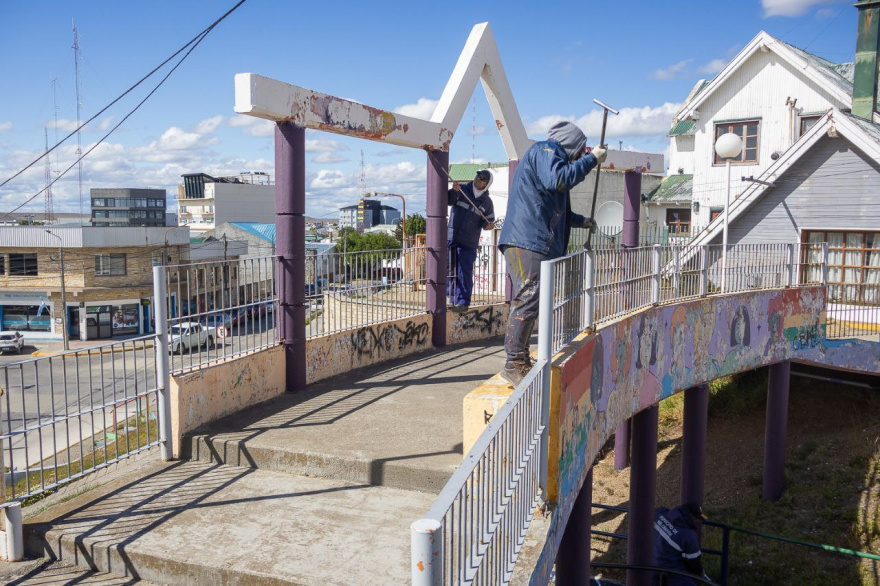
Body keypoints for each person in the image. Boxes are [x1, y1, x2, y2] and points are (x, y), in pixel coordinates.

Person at [498, 121, 605, 385]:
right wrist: (592, 160)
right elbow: (558, 180)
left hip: (530, 240)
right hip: (528, 241)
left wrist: (581, 221)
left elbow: (556, 208)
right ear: (571, 144)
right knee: (529, 298)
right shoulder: (547, 150)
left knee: (531, 299)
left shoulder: (549, 158)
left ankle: (519, 359)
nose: (579, 156)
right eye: (580, 150)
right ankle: (513, 362)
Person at [447, 169, 495, 312]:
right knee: (449, 269)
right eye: (478, 176)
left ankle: (463, 302)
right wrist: (454, 191)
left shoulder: (487, 202)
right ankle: (451, 299)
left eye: (483, 179)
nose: (478, 179)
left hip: (469, 242)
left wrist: (488, 225)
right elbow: (449, 201)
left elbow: (488, 221)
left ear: (487, 184)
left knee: (464, 271)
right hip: (452, 237)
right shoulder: (461, 189)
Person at [653, 502, 712, 586]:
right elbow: (694, 564)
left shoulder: (661, 513)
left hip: (651, 563)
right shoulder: (688, 536)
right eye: (696, 518)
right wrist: (702, 576)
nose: (697, 521)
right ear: (689, 515)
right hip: (672, 573)